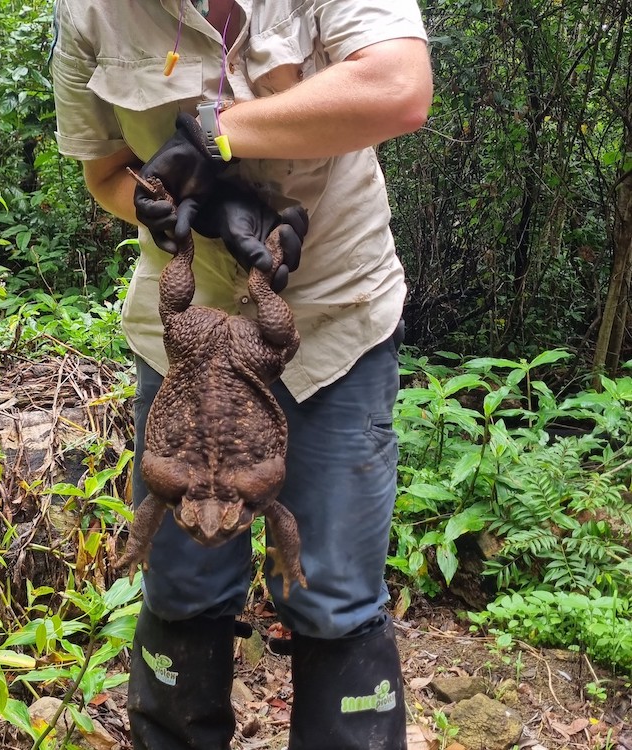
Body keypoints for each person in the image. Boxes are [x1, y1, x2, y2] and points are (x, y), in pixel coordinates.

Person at [50, 1, 432, 748]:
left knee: (333, 593)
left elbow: (399, 87)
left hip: (331, 320)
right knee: (183, 589)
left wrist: (215, 140)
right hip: (186, 343)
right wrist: (167, 207)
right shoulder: (90, 11)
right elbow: (105, 174)